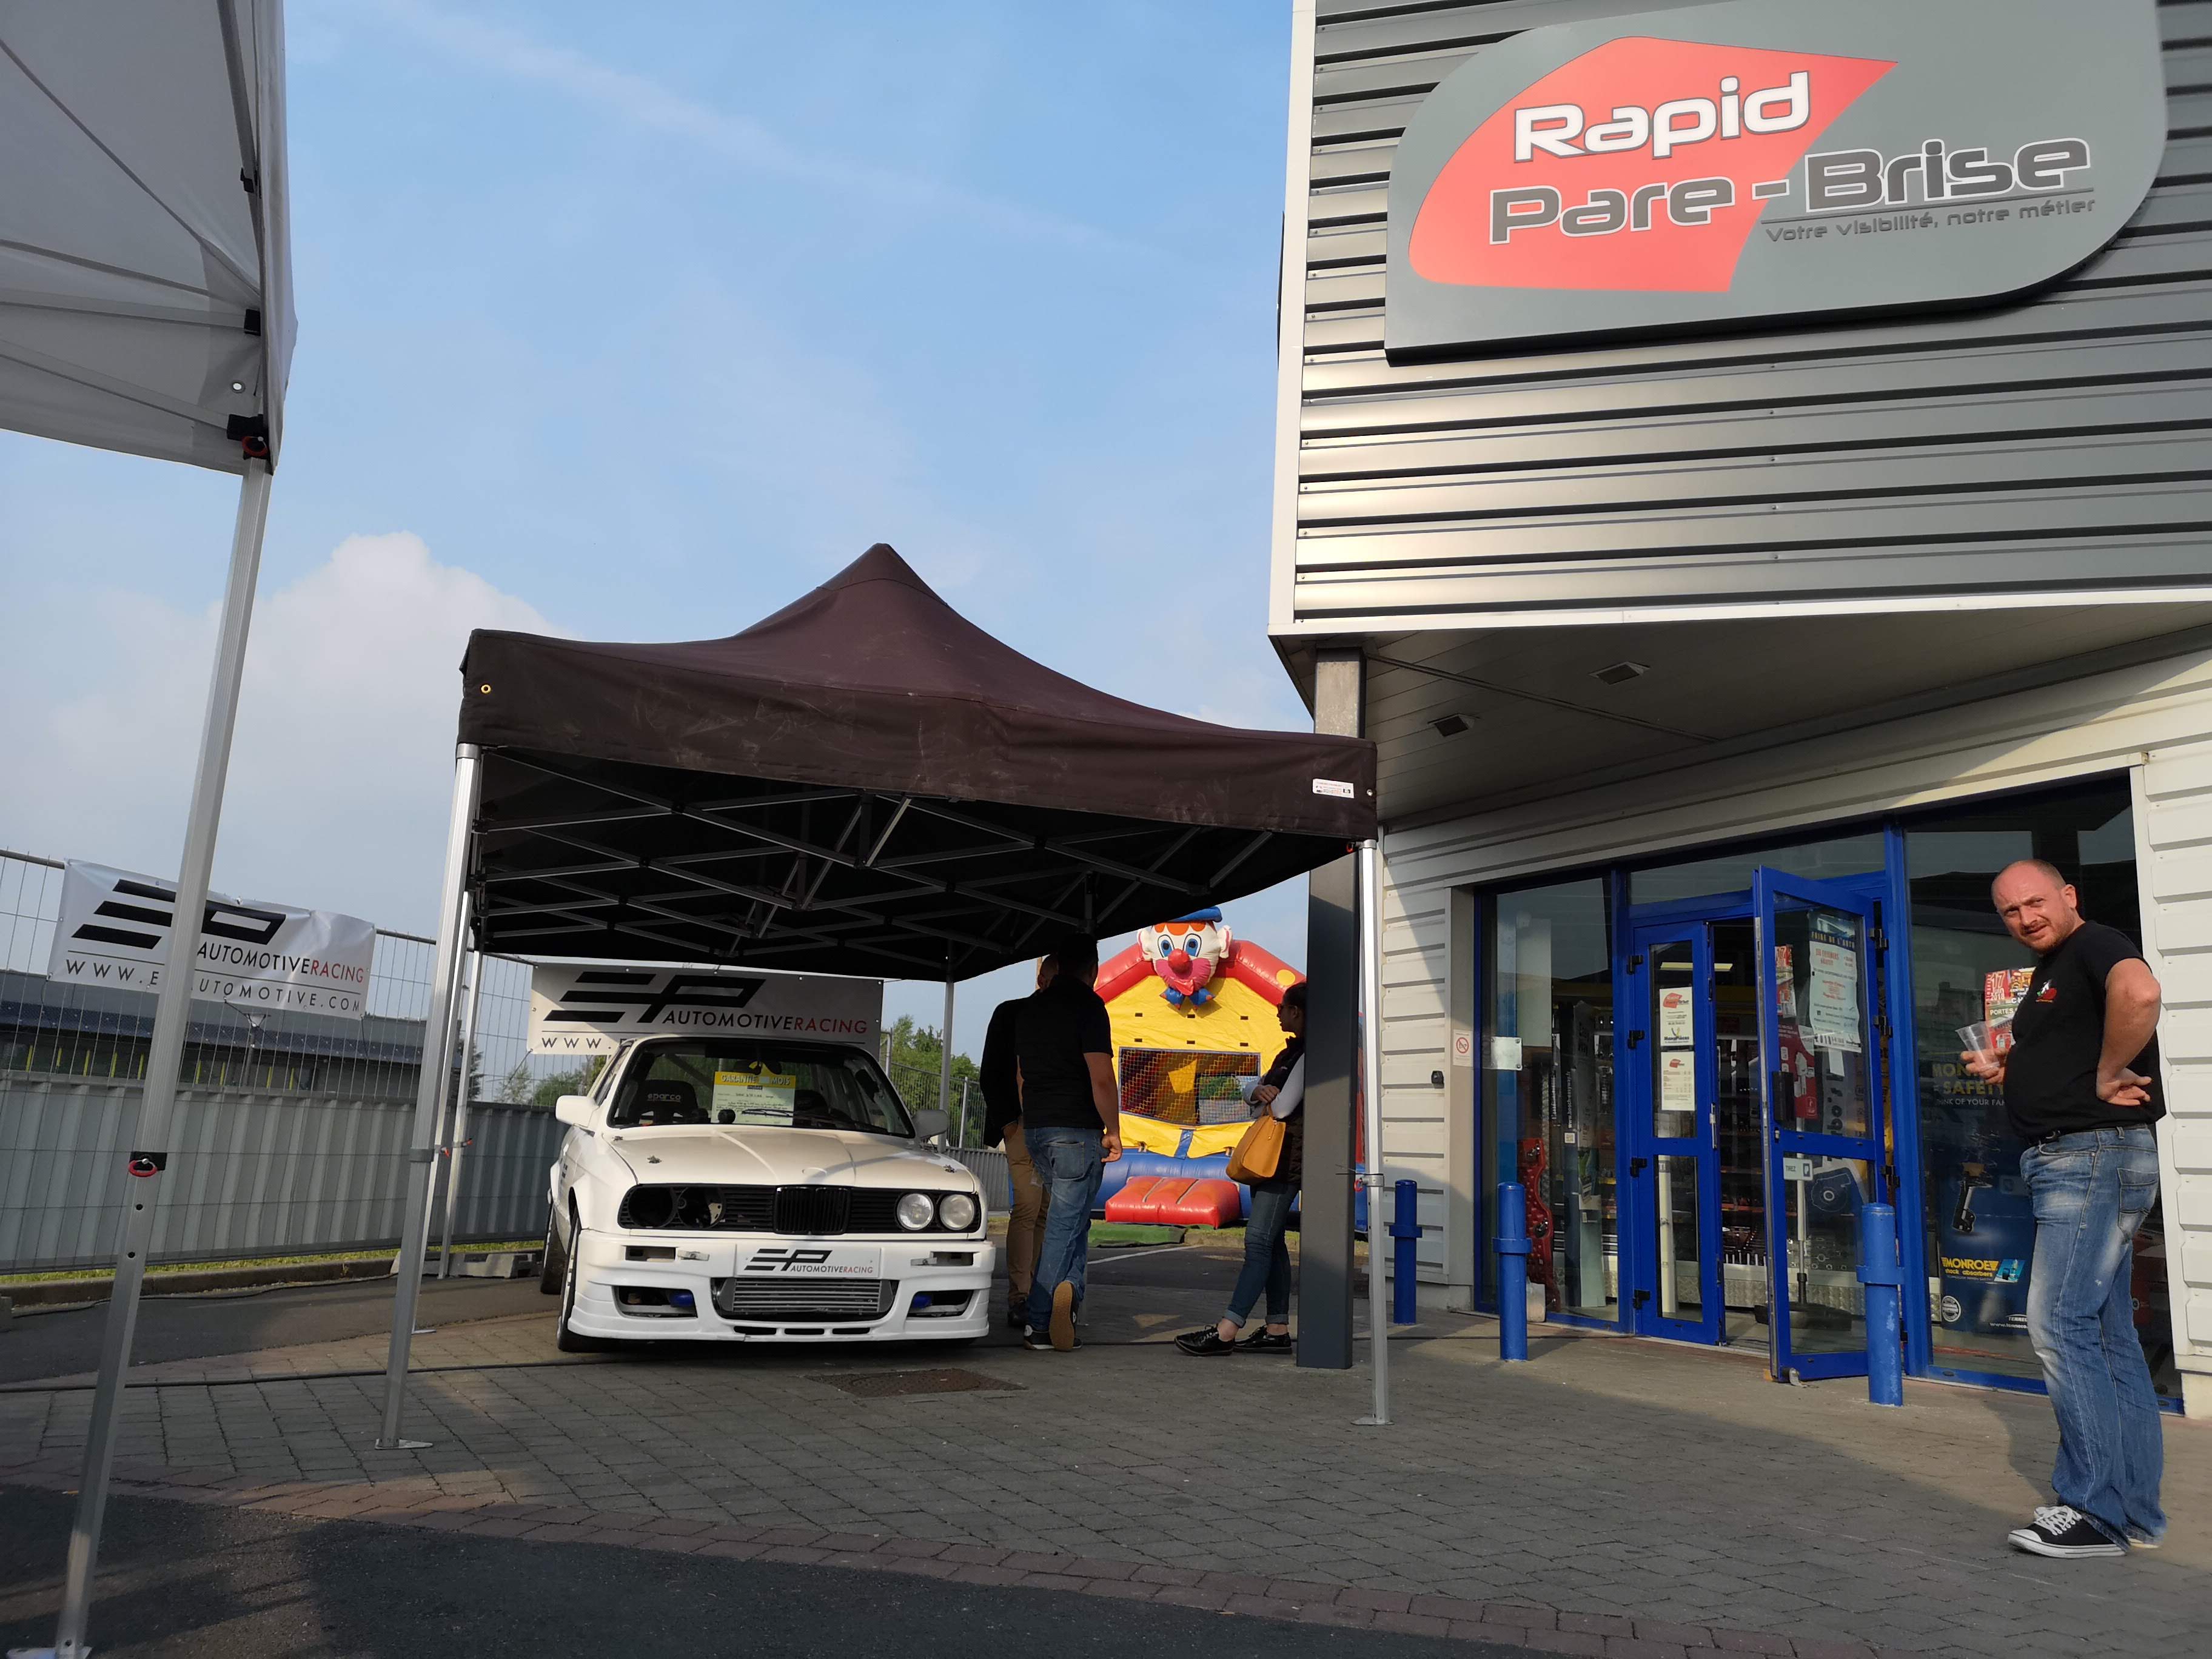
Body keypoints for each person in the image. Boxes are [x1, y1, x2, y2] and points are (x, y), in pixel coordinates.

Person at [1963, 859, 2166, 1559]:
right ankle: (2134, 1513)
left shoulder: (2095, 944)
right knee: (2107, 1339)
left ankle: (2091, 1511)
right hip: (2087, 1160)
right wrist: (2009, 1067)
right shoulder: (2054, 970)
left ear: (2068, 896)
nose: (2026, 918)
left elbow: (2141, 991)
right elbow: (2064, 1055)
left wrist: (2110, 1074)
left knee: (2058, 1324)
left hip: (2090, 1159)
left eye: (2036, 902)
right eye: (2011, 911)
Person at [1177, 982, 1305, 1356]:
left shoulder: (1308, 1055)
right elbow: (1253, 1092)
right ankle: (1277, 1329)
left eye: (1283, 1006)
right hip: (1271, 1158)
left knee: (1259, 1241)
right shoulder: (1288, 1052)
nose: (1278, 1012)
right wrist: (1258, 1092)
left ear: (1297, 1011)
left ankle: (1227, 1330)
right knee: (1273, 1242)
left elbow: (1282, 1107)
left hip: (1284, 1160)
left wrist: (1261, 1094)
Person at [1014, 934, 1122, 1351]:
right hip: (1076, 1131)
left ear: (1056, 966)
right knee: (1064, 1224)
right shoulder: (1089, 1006)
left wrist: (1031, 1118)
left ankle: (1069, 1301)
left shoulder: (1030, 1009)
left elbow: (1021, 1076)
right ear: (1093, 969)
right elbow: (1101, 1077)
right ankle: (1041, 1322)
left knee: (1073, 1221)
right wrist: (1113, 1130)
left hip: (1037, 1128)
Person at [980, 959, 1051, 1327]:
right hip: (1024, 1126)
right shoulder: (1011, 1013)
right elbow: (991, 1072)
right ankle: (1020, 1296)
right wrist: (1009, 1122)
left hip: (1054, 1128)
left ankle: (1033, 1292)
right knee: (1028, 1207)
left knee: (1043, 1211)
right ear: (1041, 978)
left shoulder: (1064, 1018)